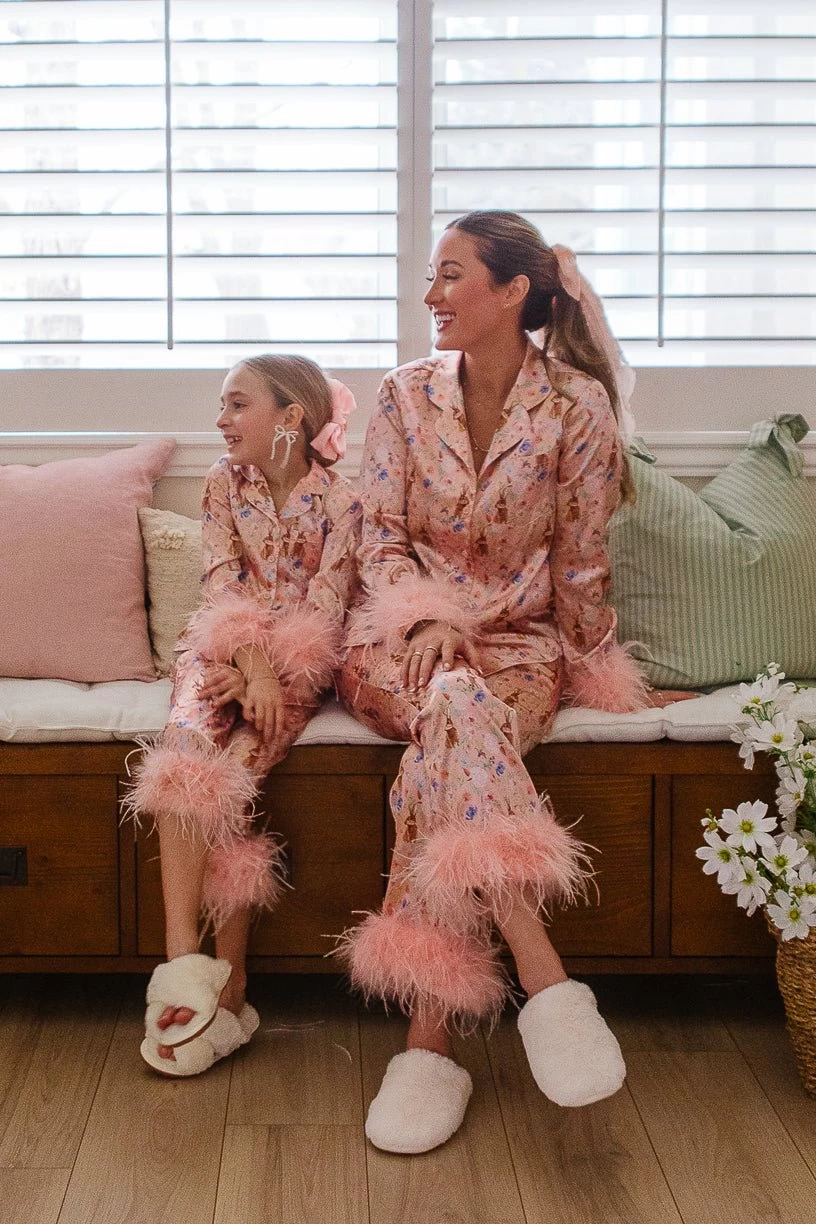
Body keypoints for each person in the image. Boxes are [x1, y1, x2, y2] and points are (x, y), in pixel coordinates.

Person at [337, 210, 688, 1154]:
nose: (431, 295)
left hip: (520, 652)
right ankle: (544, 977)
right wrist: (426, 617)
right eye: (432, 276)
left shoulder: (574, 405)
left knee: (455, 723)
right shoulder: (403, 395)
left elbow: (580, 562)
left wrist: (608, 671)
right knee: (448, 695)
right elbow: (377, 538)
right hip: (397, 642)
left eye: (451, 275)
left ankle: (430, 1043)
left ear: (513, 291)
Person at [126, 354, 360, 1077]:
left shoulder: (344, 502)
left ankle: (232, 996)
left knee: (234, 777)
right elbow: (222, 582)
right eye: (222, 406)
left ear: (291, 416)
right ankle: (184, 969)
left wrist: (269, 675)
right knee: (183, 755)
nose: (221, 420)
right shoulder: (222, 484)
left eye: (236, 405)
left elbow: (327, 611)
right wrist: (244, 665)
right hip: (219, 654)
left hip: (295, 675)